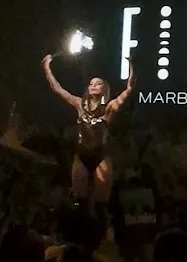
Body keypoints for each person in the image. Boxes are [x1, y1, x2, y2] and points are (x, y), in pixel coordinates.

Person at [42, 53, 135, 205]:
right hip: (82, 154)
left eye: (97, 84)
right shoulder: (80, 104)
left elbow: (130, 88)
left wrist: (132, 66)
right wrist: (47, 67)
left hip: (100, 155)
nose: (93, 86)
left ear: (104, 88)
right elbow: (57, 89)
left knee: (100, 204)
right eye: (91, 83)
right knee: (80, 201)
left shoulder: (109, 107)